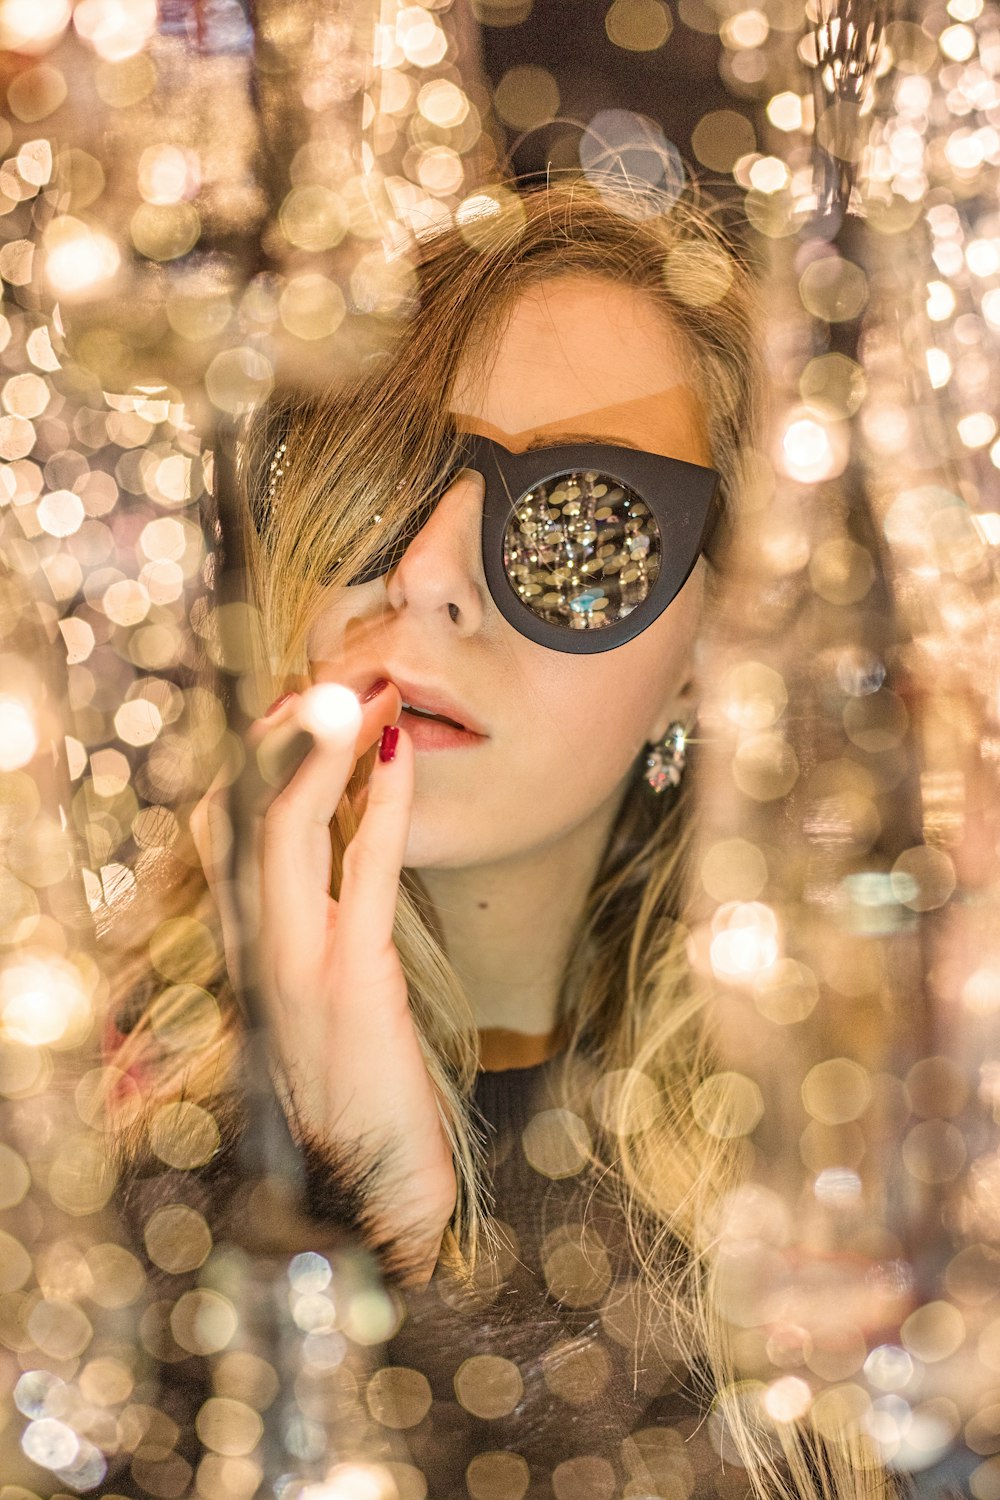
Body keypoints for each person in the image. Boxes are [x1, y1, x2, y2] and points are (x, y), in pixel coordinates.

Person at [102, 178, 899, 1499]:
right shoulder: (84, 1170)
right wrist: (323, 1219)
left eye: (585, 528)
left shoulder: (839, 1209)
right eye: (382, 472)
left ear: (716, 652)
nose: (425, 572)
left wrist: (395, 1251)